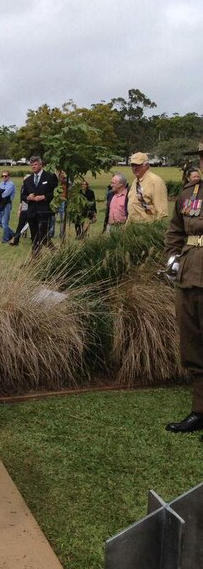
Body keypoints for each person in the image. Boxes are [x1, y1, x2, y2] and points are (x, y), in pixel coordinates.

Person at [165, 167, 203, 435]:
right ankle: (200, 410)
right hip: (189, 276)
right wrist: (172, 258)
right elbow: (176, 231)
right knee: (192, 346)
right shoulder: (190, 193)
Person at [20, 156, 57, 257]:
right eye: (32, 165)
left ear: (41, 164)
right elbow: (22, 196)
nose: (33, 167)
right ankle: (35, 256)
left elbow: (54, 193)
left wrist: (43, 197)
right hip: (32, 212)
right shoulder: (28, 180)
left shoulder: (49, 177)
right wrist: (28, 197)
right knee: (34, 236)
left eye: (35, 164)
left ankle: (54, 251)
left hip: (44, 211)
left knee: (43, 234)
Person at [127, 152, 168, 223]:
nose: (134, 168)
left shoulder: (155, 181)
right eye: (133, 165)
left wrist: (155, 230)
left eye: (138, 165)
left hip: (148, 226)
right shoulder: (135, 182)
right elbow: (133, 205)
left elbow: (162, 212)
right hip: (134, 226)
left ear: (146, 165)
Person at [0, 171, 16, 243]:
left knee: (4, 222)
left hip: (7, 204)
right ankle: (12, 233)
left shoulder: (11, 185)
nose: (4, 177)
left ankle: (5, 239)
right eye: (3, 176)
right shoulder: (1, 183)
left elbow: (5, 194)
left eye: (6, 176)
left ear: (9, 176)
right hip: (0, 203)